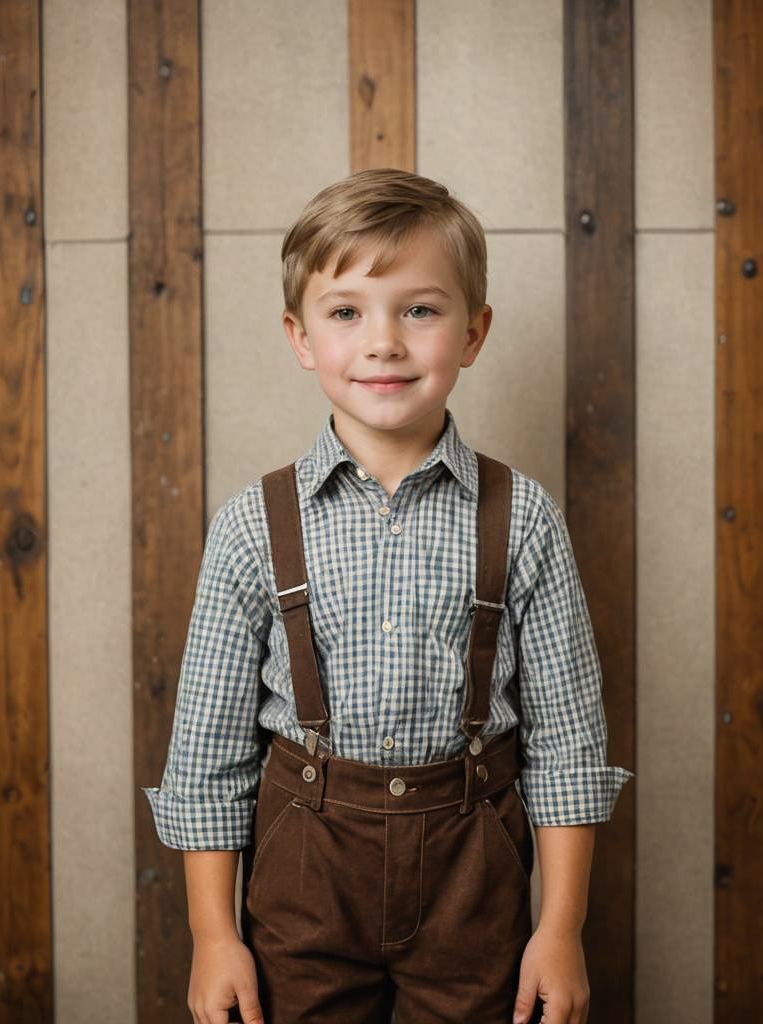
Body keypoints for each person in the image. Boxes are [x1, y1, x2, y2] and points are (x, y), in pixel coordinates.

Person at [142, 167, 633, 1024]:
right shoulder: (253, 526)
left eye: (420, 309)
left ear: (474, 331)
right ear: (299, 336)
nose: (384, 343)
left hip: (472, 877)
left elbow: (566, 748)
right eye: (346, 312)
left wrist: (560, 930)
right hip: (303, 877)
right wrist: (213, 937)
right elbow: (207, 758)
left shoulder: (524, 518)